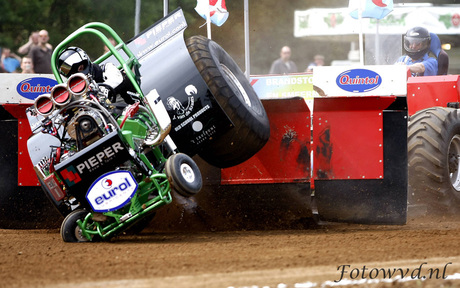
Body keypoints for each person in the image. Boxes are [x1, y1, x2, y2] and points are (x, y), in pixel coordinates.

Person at [57, 46, 135, 104]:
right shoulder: (75, 90)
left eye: (80, 68)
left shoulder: (106, 68)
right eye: (73, 74)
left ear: (85, 63)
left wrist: (97, 90)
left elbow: (117, 80)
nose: (79, 75)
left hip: (126, 110)